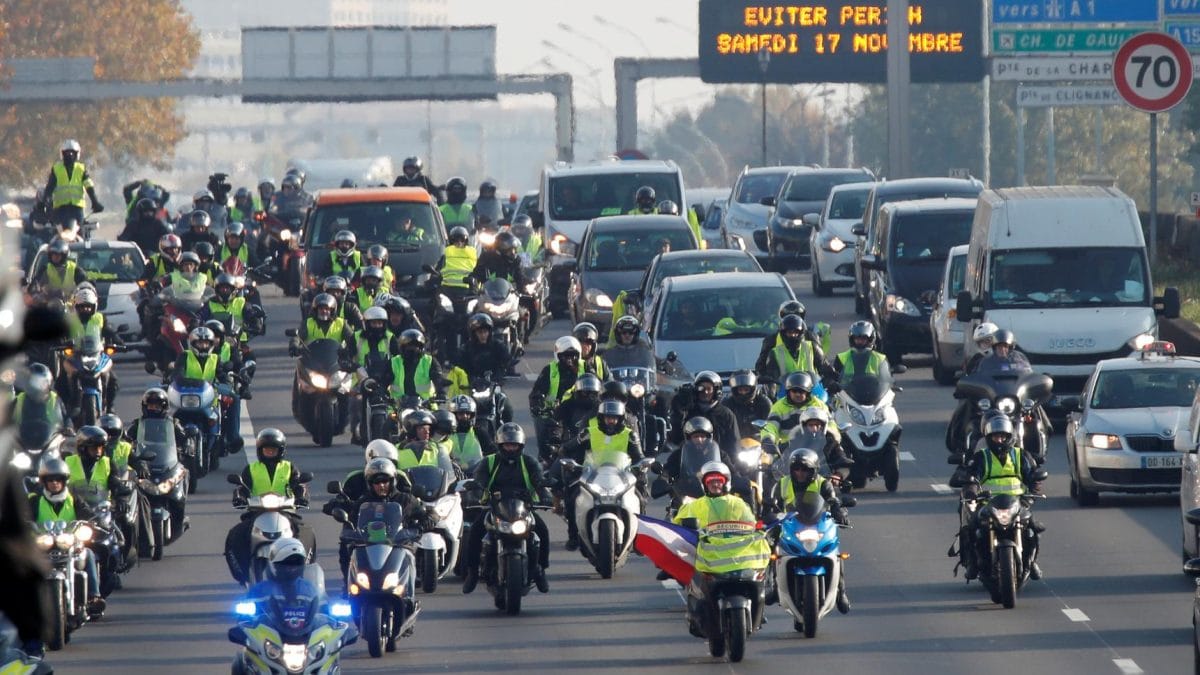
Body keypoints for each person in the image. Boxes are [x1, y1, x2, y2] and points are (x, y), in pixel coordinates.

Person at [673, 461, 771, 636]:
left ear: (726, 482)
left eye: (719, 481)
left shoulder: (738, 503)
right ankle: (698, 614)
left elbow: (752, 524)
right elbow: (677, 526)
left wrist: (761, 527)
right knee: (694, 583)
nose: (715, 484)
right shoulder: (694, 505)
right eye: (711, 481)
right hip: (708, 558)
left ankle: (759, 610)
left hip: (740, 557)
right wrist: (687, 529)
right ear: (705, 484)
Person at [461, 423, 551, 594]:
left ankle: (540, 570)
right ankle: (472, 573)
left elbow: (538, 479)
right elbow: (479, 479)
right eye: (507, 445)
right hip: (495, 509)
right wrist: (475, 490)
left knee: (543, 532)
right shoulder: (489, 462)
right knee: (474, 533)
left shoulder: (529, 462)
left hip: (523, 510)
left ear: (521, 445)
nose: (511, 449)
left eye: (514, 445)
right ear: (500, 445)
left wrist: (544, 493)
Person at [961, 415, 1045, 581]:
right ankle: (972, 563)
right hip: (987, 505)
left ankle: (1031, 561)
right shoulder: (981, 457)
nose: (999, 440)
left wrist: (1031, 494)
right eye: (995, 436)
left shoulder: (1021, 456)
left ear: (1009, 437)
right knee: (971, 528)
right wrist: (971, 490)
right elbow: (972, 477)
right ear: (989, 438)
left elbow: (1033, 478)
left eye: (1003, 436)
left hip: (1017, 504)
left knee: (1033, 529)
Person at [225, 429, 313, 585]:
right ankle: (243, 573)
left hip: (285, 512)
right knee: (236, 535)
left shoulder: (289, 468)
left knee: (305, 532)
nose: (270, 452)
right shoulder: (251, 469)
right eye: (267, 449)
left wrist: (302, 497)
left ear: (281, 451)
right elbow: (242, 487)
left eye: (273, 449)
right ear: (260, 451)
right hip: (256, 512)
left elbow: (300, 485)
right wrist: (239, 497)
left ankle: (303, 567)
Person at [767, 448, 850, 610]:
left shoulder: (822, 484)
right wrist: (769, 515)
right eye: (796, 469)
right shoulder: (782, 484)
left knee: (835, 549)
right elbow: (772, 505)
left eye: (805, 469)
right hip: (789, 525)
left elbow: (833, 501)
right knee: (771, 545)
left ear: (813, 471)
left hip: (817, 525)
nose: (800, 473)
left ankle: (841, 591)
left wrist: (839, 511)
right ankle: (774, 585)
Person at [559, 400, 643, 550]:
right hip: (592, 476)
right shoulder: (588, 433)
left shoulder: (630, 436)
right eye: (607, 418)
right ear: (601, 418)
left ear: (621, 418)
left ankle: (639, 540)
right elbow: (567, 448)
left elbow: (639, 457)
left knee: (640, 499)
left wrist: (642, 465)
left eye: (614, 418)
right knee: (572, 499)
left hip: (621, 477)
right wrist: (572, 463)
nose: (611, 421)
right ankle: (573, 536)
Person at [28, 457, 107, 617]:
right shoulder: (35, 499)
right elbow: (22, 515)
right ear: (44, 482)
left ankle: (93, 596)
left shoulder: (73, 498)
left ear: (64, 481)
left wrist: (95, 520)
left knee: (88, 554)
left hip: (68, 544)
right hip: (42, 546)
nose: (55, 483)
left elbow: (87, 512)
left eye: (58, 479)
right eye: (51, 480)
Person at [530, 337, 583, 462]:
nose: (570, 359)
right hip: (555, 415)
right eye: (566, 355)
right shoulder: (549, 370)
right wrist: (538, 404)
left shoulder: (586, 368)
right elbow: (536, 392)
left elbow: (598, 386)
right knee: (548, 443)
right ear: (558, 356)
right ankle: (545, 461)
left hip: (580, 413)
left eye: (573, 355)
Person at [348, 306, 393, 444]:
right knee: (356, 402)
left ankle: (394, 430)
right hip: (361, 379)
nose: (377, 326)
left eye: (380, 323)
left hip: (386, 380)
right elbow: (345, 354)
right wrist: (349, 364)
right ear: (367, 323)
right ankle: (357, 432)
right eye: (374, 323)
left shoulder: (391, 338)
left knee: (395, 404)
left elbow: (399, 356)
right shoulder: (356, 337)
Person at [668, 371, 740, 456]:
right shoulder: (689, 412)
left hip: (718, 464)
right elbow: (676, 439)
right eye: (701, 388)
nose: (705, 392)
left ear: (716, 391)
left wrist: (731, 465)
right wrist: (678, 410)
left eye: (709, 389)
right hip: (691, 463)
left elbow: (734, 446)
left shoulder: (726, 415)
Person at [761, 372, 837, 448]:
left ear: (807, 392)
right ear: (788, 391)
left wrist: (831, 435)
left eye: (801, 391)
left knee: (839, 454)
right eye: (794, 391)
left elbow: (830, 423)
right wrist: (768, 438)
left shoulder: (819, 405)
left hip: (816, 448)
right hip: (787, 450)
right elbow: (771, 425)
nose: (797, 394)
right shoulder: (778, 406)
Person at [41, 139, 103, 226]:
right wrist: (45, 202)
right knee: (57, 231)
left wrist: (95, 201)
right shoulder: (56, 169)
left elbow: (88, 185)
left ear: (77, 154)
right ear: (62, 154)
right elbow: (50, 187)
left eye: (72, 153)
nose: (70, 155)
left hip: (77, 208)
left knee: (81, 230)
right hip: (60, 209)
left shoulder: (81, 168)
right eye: (67, 153)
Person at [449, 314, 512, 395]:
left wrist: (500, 375)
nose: (483, 335)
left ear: (490, 332)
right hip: (473, 387)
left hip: (494, 386)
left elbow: (506, 361)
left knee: (506, 405)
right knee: (460, 405)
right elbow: (460, 365)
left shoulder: (498, 346)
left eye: (485, 332)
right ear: (474, 333)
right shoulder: (466, 349)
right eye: (480, 332)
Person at [755, 314, 817, 386]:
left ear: (801, 333)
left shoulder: (812, 347)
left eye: (795, 332)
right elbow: (771, 376)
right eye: (789, 333)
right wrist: (771, 387)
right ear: (783, 334)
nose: (793, 335)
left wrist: (830, 381)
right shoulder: (775, 353)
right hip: (785, 393)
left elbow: (825, 368)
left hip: (812, 391)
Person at [384, 329, 444, 402]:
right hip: (398, 406)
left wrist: (441, 393)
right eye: (409, 346)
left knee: (442, 413)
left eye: (416, 346)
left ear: (422, 347)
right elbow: (383, 382)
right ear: (402, 347)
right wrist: (382, 395)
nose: (413, 349)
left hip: (425, 406)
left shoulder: (430, 361)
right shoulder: (393, 362)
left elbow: (438, 378)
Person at [829, 321, 893, 388]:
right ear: (852, 339)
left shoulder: (880, 358)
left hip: (874, 394)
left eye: (863, 338)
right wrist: (832, 383)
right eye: (856, 338)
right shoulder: (841, 357)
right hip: (848, 395)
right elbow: (834, 377)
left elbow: (886, 380)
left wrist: (889, 383)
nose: (859, 341)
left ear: (870, 339)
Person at [10, 364, 70, 433]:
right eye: (34, 381)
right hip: (22, 440)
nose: (38, 386)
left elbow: (66, 418)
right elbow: (7, 420)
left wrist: (68, 427)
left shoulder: (55, 399)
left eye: (41, 382)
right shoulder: (19, 399)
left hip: (51, 440)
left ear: (48, 383)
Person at [447, 395, 496, 470]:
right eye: (461, 413)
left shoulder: (479, 432)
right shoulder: (446, 433)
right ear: (453, 415)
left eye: (468, 413)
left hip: (475, 473)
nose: (465, 416)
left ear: (473, 415)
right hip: (451, 474)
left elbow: (493, 452)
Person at [722, 370, 772, 441]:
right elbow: (721, 427)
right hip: (734, 444)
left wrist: (766, 438)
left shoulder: (764, 403)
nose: (743, 393)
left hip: (759, 445)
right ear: (735, 390)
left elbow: (772, 426)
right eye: (740, 390)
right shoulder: (727, 404)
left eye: (746, 390)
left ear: (753, 389)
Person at [553, 373, 602, 438]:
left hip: (598, 443)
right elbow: (555, 422)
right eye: (585, 392)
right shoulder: (568, 405)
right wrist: (557, 434)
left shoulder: (602, 407)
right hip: (572, 444)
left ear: (597, 393)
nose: (589, 396)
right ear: (578, 392)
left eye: (592, 393)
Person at [437, 226, 478, 294]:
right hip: (448, 290)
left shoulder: (473, 254)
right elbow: (438, 270)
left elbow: (481, 271)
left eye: (462, 240)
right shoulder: (446, 254)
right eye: (456, 240)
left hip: (468, 291)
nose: (459, 243)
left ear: (466, 241)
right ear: (451, 241)